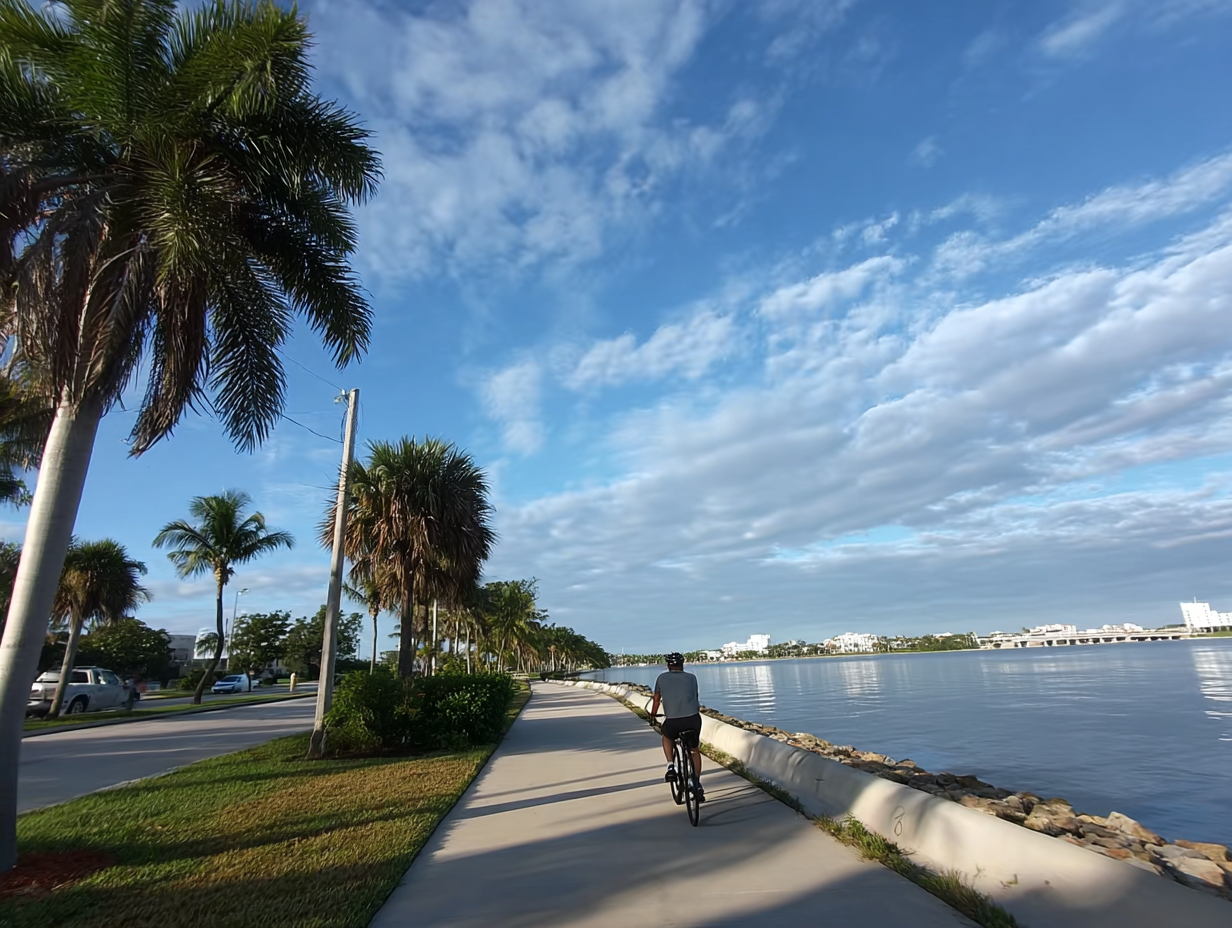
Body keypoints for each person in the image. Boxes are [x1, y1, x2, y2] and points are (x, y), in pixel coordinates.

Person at [649, 652, 704, 802]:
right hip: (692, 719)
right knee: (694, 750)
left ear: (668, 665)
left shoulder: (661, 678)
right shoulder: (692, 678)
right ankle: (696, 782)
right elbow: (695, 697)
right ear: (682, 664)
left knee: (667, 736)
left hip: (673, 721)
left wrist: (653, 715)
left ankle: (671, 765)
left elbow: (656, 699)